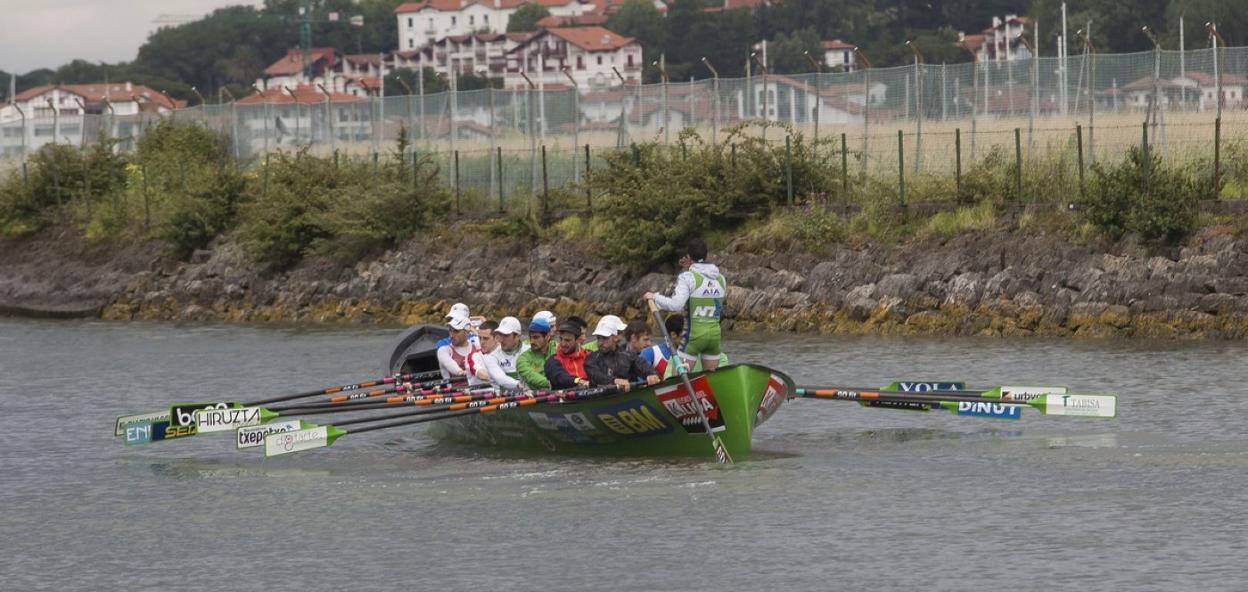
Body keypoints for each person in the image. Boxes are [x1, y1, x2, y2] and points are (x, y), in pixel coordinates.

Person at [644, 237, 726, 372]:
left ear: (688, 256)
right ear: (707, 255)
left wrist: (654, 296)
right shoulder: (721, 278)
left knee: (677, 382)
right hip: (714, 336)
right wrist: (691, 267)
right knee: (710, 380)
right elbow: (705, 282)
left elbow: (676, 305)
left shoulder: (687, 277)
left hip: (694, 337)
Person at [585, 317, 659, 391]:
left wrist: (652, 374)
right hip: (600, 398)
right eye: (598, 338)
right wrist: (614, 381)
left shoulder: (628, 356)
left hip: (628, 397)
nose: (600, 343)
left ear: (616, 338)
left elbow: (643, 366)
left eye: (605, 338)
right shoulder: (591, 359)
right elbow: (596, 375)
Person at [437, 312, 489, 385]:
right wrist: (461, 372)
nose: (451, 335)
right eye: (450, 330)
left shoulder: (477, 346)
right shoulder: (444, 350)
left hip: (479, 390)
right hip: (456, 392)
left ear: (467, 332)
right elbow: (453, 367)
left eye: (456, 331)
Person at [476, 319, 523, 389]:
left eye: (506, 335)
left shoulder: (528, 350)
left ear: (517, 336)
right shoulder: (492, 356)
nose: (502, 339)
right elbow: (500, 378)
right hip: (504, 398)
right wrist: (519, 385)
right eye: (500, 335)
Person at [544, 321, 590, 389]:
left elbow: (597, 372)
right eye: (561, 339)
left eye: (567, 340)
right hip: (565, 397)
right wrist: (578, 381)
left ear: (577, 340)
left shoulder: (589, 355)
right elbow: (560, 377)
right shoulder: (552, 361)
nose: (562, 344)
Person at [516, 317, 554, 389]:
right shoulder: (523, 358)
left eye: (536, 337)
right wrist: (549, 383)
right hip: (536, 395)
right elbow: (530, 375)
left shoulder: (557, 349)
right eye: (530, 337)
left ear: (547, 336)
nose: (532, 341)